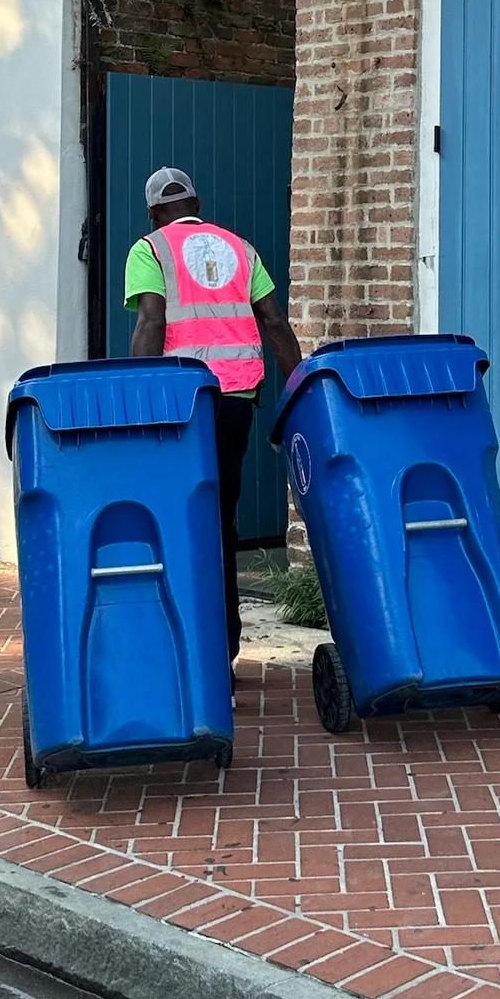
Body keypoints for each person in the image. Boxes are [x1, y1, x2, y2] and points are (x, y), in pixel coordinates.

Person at [126, 167, 302, 663]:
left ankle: (184, 646)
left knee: (172, 514)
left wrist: (140, 403)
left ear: (154, 213)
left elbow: (151, 320)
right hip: (236, 403)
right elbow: (274, 323)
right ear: (197, 204)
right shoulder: (241, 249)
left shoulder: (150, 248)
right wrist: (300, 395)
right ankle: (223, 646)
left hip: (180, 408)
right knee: (220, 517)